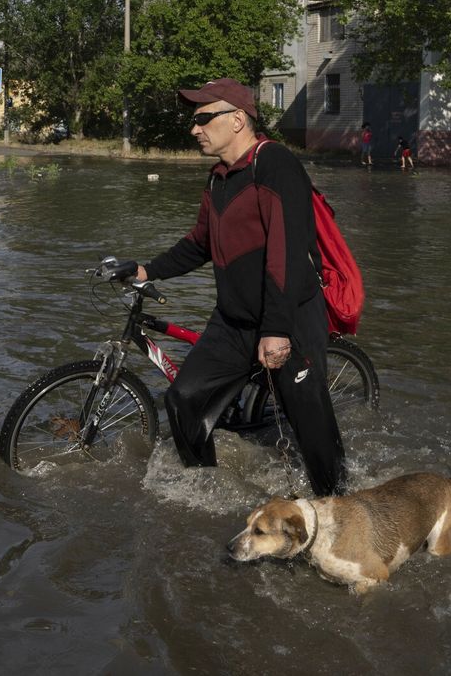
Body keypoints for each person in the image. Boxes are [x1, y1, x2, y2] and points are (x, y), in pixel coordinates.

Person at [135, 78, 347, 497]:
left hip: (289, 318)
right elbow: (200, 244)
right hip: (234, 320)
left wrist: (276, 329)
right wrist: (146, 270)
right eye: (193, 120)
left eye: (202, 118)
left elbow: (285, 253)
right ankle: (207, 492)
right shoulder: (218, 179)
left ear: (236, 120)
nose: (194, 129)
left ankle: (339, 505)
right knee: (184, 399)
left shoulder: (275, 165)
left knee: (309, 424)